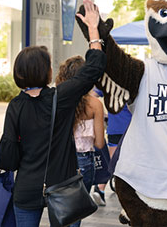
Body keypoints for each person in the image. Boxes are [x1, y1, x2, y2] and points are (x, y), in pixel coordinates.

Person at [0, 0, 106, 227]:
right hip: (65, 186)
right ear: (47, 71)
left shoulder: (15, 106)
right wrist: (93, 28)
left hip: (26, 188)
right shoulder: (61, 96)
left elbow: (6, 159)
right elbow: (93, 69)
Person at [55, 55, 105, 227]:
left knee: (59, 207)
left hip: (60, 159)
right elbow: (99, 144)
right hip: (84, 160)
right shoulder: (95, 104)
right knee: (76, 213)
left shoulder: (57, 99)